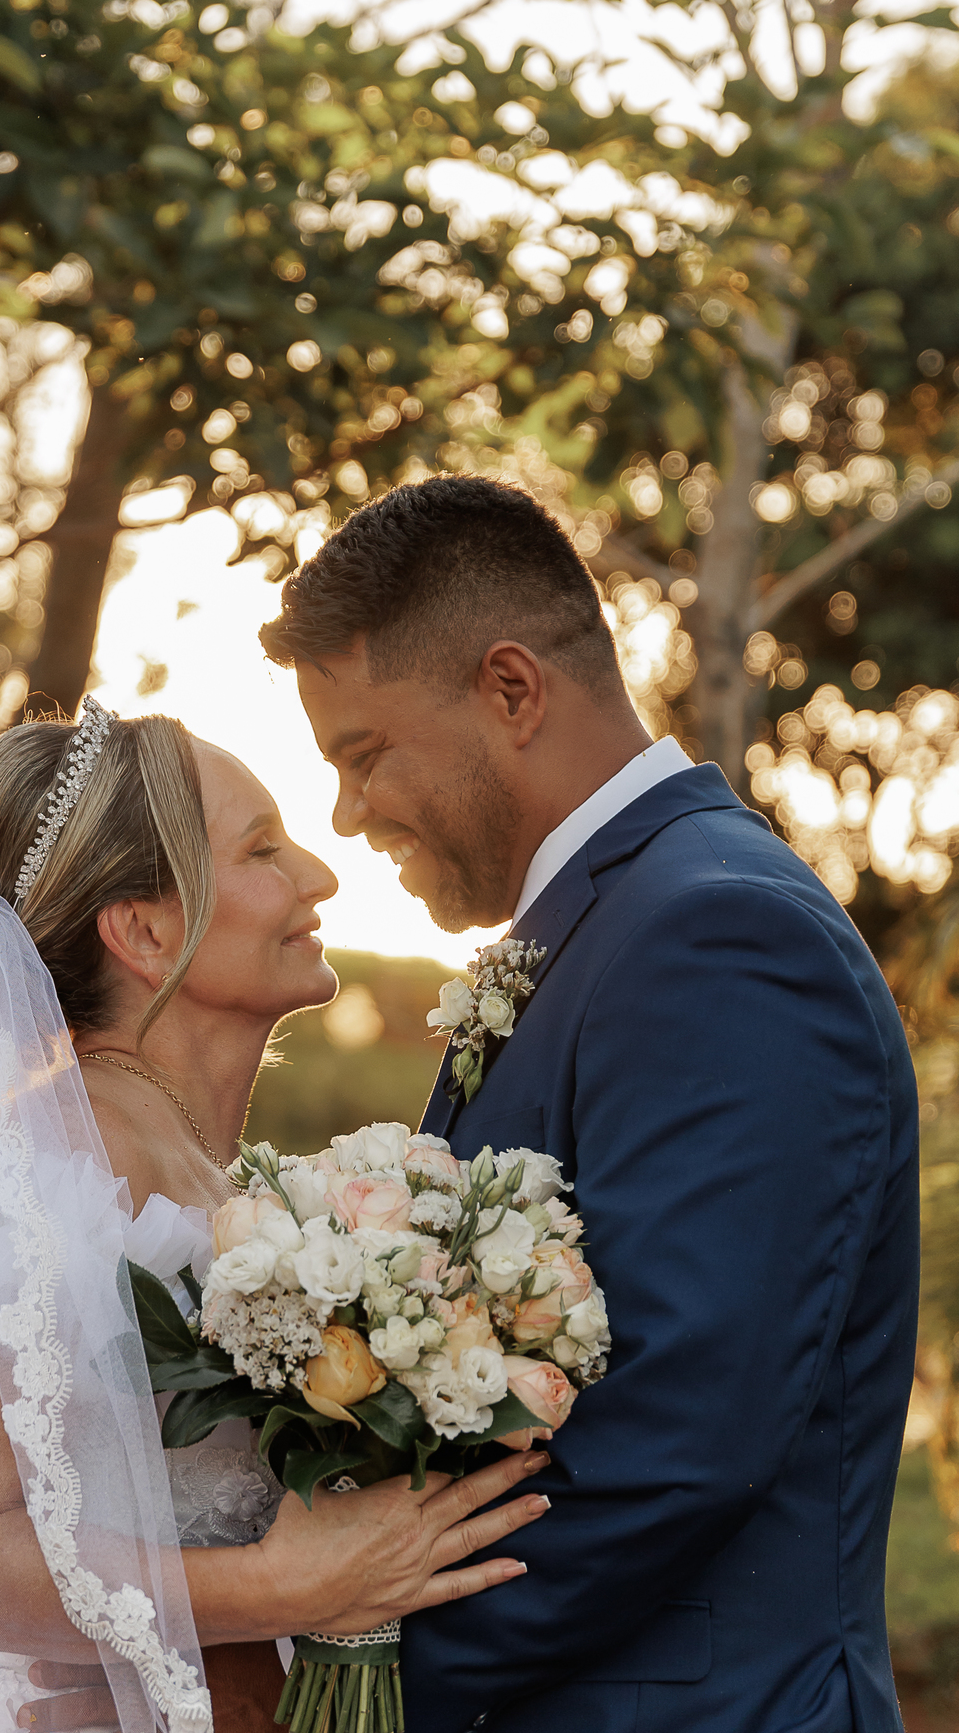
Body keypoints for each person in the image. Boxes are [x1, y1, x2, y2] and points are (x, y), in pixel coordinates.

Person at [256, 472, 919, 1733]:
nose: (347, 812)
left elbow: (677, 1441)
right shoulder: (612, 925)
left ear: (511, 690)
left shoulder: (718, 936)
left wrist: (350, 1675)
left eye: (364, 753)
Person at [0, 702, 548, 1733]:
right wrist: (283, 1588)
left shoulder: (232, 1189)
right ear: (143, 932)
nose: (318, 875)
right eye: (262, 849)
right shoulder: (40, 1174)